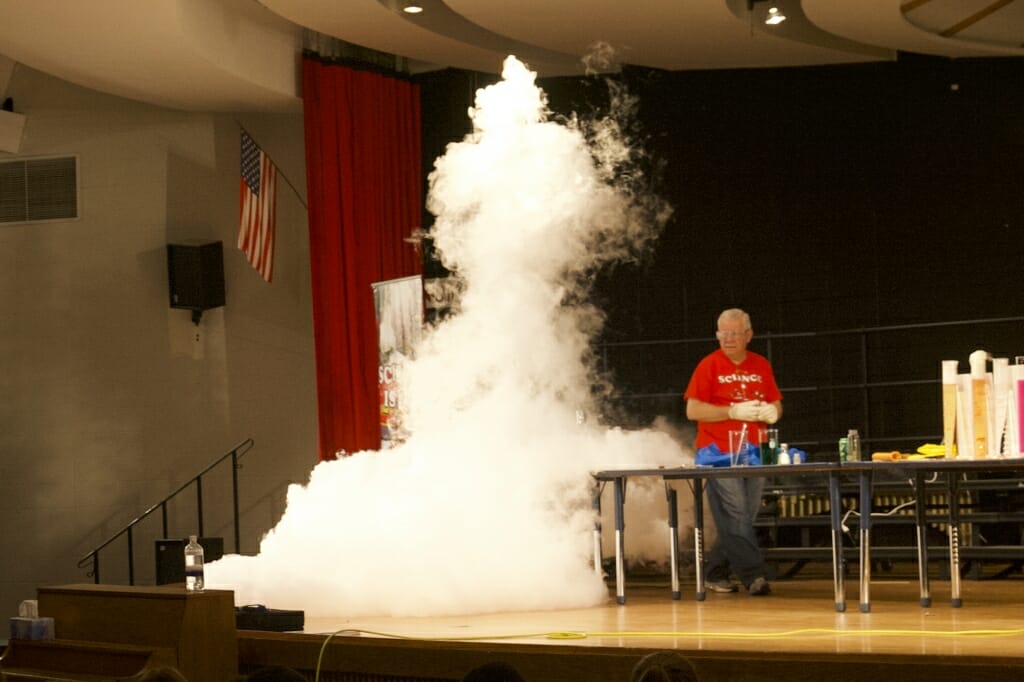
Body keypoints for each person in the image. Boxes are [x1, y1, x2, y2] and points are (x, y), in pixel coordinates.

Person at [683, 308, 782, 596]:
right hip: (717, 453)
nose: (727, 338)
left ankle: (714, 572)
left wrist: (772, 412)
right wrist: (731, 410)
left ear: (748, 335)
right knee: (736, 513)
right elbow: (692, 409)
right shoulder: (708, 365)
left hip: (754, 451)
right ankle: (754, 576)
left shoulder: (761, 365)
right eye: (722, 333)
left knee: (743, 517)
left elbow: (777, 402)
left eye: (734, 333)